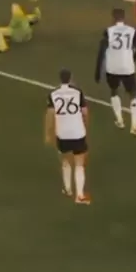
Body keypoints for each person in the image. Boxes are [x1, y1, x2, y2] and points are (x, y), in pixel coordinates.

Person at [94, 8, 136, 135]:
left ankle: (120, 120)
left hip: (112, 68)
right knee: (133, 94)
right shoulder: (132, 31)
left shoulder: (108, 31)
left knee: (114, 91)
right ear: (124, 18)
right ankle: (134, 125)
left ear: (113, 18)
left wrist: (97, 72)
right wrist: (133, 58)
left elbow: (101, 52)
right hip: (128, 67)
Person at [45, 68, 90, 205]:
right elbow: (85, 112)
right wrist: (85, 126)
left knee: (65, 161)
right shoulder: (78, 92)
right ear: (71, 78)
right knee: (79, 164)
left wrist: (48, 133)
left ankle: (68, 189)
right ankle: (80, 195)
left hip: (62, 133)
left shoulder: (53, 94)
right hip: (78, 132)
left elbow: (50, 115)